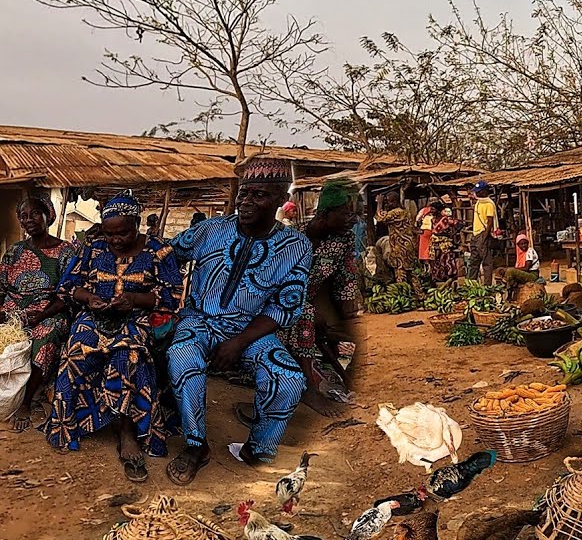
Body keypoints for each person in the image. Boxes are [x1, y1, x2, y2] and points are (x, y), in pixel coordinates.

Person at [163, 156, 313, 485]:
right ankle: (195, 444)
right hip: (198, 320)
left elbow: (285, 306)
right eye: (243, 193)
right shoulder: (210, 229)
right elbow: (166, 256)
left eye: (258, 195)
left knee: (287, 377)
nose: (245, 202)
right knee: (182, 356)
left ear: (280, 199)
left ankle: (258, 449)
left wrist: (238, 342)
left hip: (252, 329)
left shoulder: (296, 246)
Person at [44, 195, 183, 482]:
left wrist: (134, 299)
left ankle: (126, 432)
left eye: (123, 232)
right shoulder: (93, 248)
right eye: (110, 233)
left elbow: (173, 296)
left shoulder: (159, 251)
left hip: (135, 317)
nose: (116, 240)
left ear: (137, 224)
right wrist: (89, 297)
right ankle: (66, 424)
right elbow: (70, 286)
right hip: (94, 316)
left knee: (128, 354)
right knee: (74, 351)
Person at [268, 179, 361, 419]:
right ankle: (309, 388)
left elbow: (346, 278)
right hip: (273, 301)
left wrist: (345, 314)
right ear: (325, 214)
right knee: (306, 317)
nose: (352, 220)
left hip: (305, 303)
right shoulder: (291, 238)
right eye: (345, 214)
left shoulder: (343, 241)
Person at [0, 195, 76, 431]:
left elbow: (68, 295)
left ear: (47, 215)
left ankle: (25, 401)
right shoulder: (15, 251)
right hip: (13, 310)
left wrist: (41, 316)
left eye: (34, 213)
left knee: (46, 337)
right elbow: (2, 288)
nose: (29, 220)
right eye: (23, 216)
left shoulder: (66, 251)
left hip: (48, 311)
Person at [375, 193, 424, 298]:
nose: (387, 204)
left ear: (394, 202)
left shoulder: (396, 213)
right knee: (410, 272)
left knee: (400, 271)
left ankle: (402, 296)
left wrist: (379, 204)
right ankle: (420, 296)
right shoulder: (404, 212)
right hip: (408, 245)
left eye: (388, 201)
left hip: (400, 247)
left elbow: (380, 218)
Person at [469, 182, 499, 284]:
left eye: (479, 192)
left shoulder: (489, 204)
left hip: (482, 234)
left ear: (485, 191)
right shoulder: (478, 202)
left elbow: (489, 222)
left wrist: (484, 238)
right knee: (473, 261)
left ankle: (487, 285)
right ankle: (471, 284)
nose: (477, 194)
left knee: (486, 262)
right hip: (475, 234)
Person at [429, 204, 461, 283]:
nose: (431, 211)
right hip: (435, 244)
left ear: (438, 210)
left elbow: (459, 225)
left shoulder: (445, 219)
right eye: (431, 209)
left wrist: (452, 234)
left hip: (445, 244)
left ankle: (448, 278)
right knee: (436, 261)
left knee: (446, 260)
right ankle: (438, 278)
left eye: (433, 209)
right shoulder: (432, 220)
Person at [416, 201, 436, 271]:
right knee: (430, 248)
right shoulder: (439, 211)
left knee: (424, 248)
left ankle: (426, 264)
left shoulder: (424, 210)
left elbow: (417, 218)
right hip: (433, 231)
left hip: (425, 230)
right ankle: (430, 265)